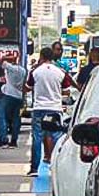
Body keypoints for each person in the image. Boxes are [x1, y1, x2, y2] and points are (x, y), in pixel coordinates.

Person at [26, 47, 75, 175]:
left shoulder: (35, 71)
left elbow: (27, 87)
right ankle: (56, 166)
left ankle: (34, 169)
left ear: (41, 57)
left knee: (37, 137)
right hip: (55, 109)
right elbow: (67, 91)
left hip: (39, 108)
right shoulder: (60, 72)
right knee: (56, 137)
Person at [0, 50, 27, 148]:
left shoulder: (10, 68)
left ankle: (5, 139)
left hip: (9, 96)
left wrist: (8, 57)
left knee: (5, 118)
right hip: (19, 97)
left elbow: (1, 60)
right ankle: (14, 141)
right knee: (17, 119)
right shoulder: (23, 70)